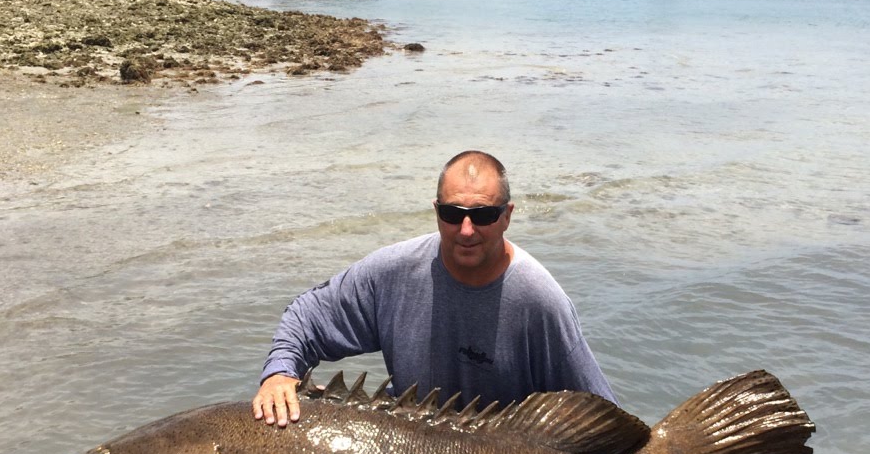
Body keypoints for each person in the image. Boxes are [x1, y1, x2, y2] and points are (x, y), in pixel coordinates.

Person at [253, 149, 619, 424]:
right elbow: (306, 317)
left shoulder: (539, 301)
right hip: (413, 448)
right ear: (436, 211)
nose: (466, 230)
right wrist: (280, 372)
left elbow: (599, 416)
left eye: (483, 215)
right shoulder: (394, 271)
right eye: (452, 214)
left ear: (507, 216)